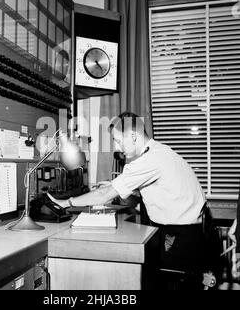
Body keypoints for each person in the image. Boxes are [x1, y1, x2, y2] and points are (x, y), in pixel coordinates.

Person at [50, 112, 215, 287]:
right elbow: (155, 194)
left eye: (119, 141)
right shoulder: (159, 150)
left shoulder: (149, 159)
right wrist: (116, 187)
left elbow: (104, 195)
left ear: (133, 136)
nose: (117, 147)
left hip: (181, 238)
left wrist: (67, 202)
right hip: (191, 232)